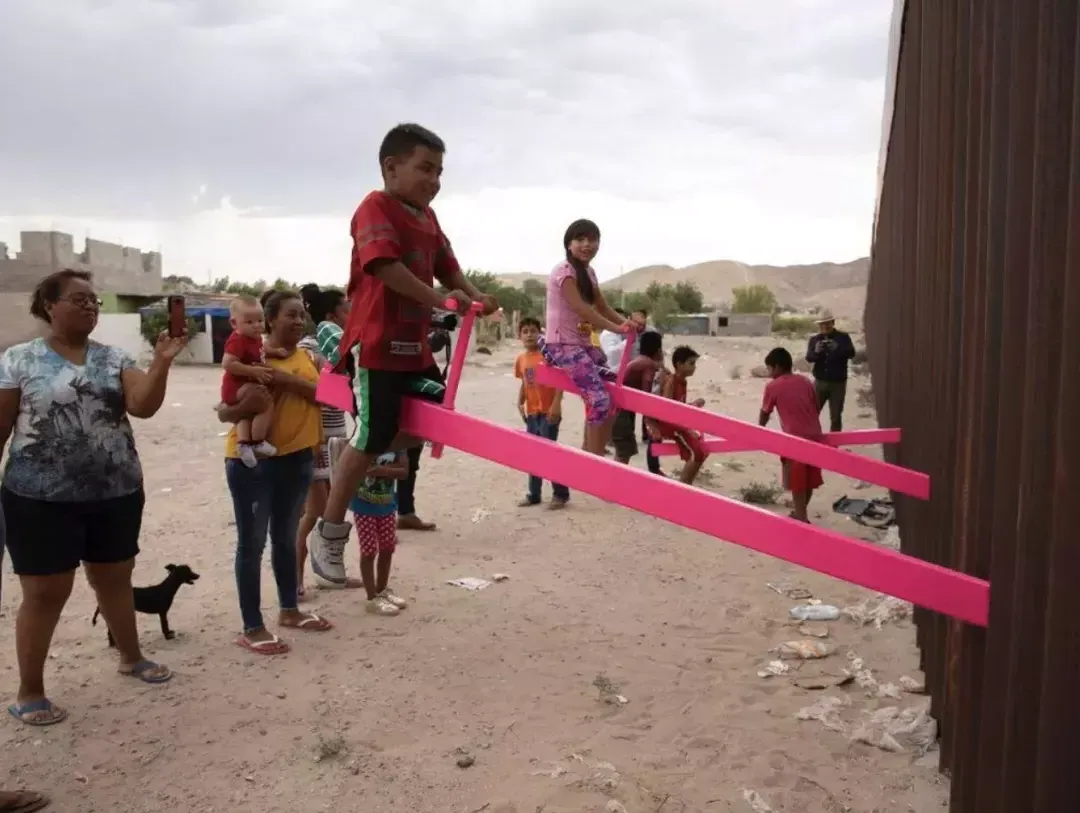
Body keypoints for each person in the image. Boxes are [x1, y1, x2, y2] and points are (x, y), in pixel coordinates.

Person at [306, 122, 498, 587]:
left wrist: (476, 299)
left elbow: (450, 269)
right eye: (425, 168)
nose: (434, 180)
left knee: (435, 417)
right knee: (373, 433)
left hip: (414, 349)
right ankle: (329, 534)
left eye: (439, 172)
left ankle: (355, 452)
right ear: (391, 167)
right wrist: (440, 301)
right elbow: (385, 267)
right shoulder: (376, 207)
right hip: (377, 346)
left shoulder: (428, 219)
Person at [0, 269, 184, 725]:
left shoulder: (114, 357)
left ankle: (132, 657)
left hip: (115, 490)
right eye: (79, 299)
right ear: (49, 305)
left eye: (94, 301)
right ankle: (30, 691)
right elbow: (1, 427)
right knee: (44, 592)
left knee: (115, 578)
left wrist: (161, 362)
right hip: (39, 496)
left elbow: (141, 406)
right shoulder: (18, 359)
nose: (90, 306)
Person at [220, 289, 333, 655]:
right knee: (251, 545)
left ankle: (289, 610)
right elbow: (224, 411)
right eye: (291, 314)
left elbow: (327, 398)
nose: (299, 320)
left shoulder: (309, 357)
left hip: (297, 460)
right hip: (254, 462)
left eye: (302, 314)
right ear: (269, 320)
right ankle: (252, 626)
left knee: (285, 538)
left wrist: (290, 383)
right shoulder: (252, 353)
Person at [540, 219, 633, 457]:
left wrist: (626, 323)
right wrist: (618, 328)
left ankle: (594, 449)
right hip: (562, 346)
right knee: (598, 398)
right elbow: (583, 309)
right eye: (580, 240)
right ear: (568, 245)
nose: (587, 245)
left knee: (613, 392)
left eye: (592, 240)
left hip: (581, 346)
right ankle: (594, 459)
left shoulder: (589, 273)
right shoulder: (564, 272)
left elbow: (601, 306)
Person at [296, 284, 356, 596]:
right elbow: (309, 395)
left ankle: (330, 571)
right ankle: (295, 580)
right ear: (331, 315)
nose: (351, 314)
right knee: (314, 512)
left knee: (334, 508)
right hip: (317, 439)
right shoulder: (310, 347)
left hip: (336, 435)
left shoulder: (341, 346)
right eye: (346, 309)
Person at [759, 346, 825, 522]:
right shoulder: (805, 381)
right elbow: (816, 406)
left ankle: (802, 519)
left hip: (795, 438)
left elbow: (765, 412)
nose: (768, 372)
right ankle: (800, 512)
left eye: (769, 368)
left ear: (777, 367)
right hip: (815, 434)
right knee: (809, 478)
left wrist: (759, 430)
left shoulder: (773, 386)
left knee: (797, 481)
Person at [220, 295, 286, 468]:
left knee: (248, 412)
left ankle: (244, 445)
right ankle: (257, 441)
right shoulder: (237, 339)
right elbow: (227, 363)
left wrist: (274, 352)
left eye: (259, 320)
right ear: (234, 324)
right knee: (265, 403)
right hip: (236, 386)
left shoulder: (254, 338)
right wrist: (252, 371)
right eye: (249, 322)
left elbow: (260, 351)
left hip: (239, 387)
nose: (256, 325)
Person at [514, 317, 569, 508]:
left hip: (548, 411)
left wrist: (557, 404)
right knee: (533, 454)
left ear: (540, 334)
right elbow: (524, 381)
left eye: (533, 331)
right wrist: (520, 400)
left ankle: (561, 494)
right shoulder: (521, 359)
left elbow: (561, 380)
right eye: (525, 331)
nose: (529, 335)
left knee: (549, 453)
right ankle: (534, 494)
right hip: (532, 413)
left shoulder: (548, 355)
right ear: (520, 336)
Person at [350, 450, 411, 615]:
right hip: (363, 507)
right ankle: (372, 598)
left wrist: (382, 470)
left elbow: (404, 471)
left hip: (387, 505)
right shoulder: (363, 443)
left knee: (387, 548)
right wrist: (390, 469)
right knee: (369, 551)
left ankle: (382, 590)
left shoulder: (399, 446)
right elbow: (355, 467)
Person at [648, 345, 709, 485]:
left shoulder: (683, 382)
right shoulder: (672, 382)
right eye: (691, 363)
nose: (695, 367)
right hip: (670, 426)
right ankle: (683, 487)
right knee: (696, 454)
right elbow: (667, 409)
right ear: (679, 365)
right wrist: (687, 422)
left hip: (678, 424)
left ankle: (687, 484)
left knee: (702, 451)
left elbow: (679, 407)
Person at [612, 330, 663, 465]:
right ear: (658, 350)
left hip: (618, 407)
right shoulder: (648, 365)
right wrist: (650, 422)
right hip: (619, 410)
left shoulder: (639, 361)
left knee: (623, 449)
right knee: (625, 450)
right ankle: (614, 481)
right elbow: (646, 395)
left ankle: (614, 479)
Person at [805, 311, 855, 432]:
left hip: (838, 384)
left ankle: (834, 447)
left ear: (832, 323)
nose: (824, 327)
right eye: (822, 324)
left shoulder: (843, 338)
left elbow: (851, 354)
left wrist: (838, 349)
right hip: (820, 382)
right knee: (812, 413)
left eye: (827, 324)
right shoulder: (814, 340)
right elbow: (809, 358)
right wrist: (816, 352)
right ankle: (811, 440)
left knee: (836, 416)